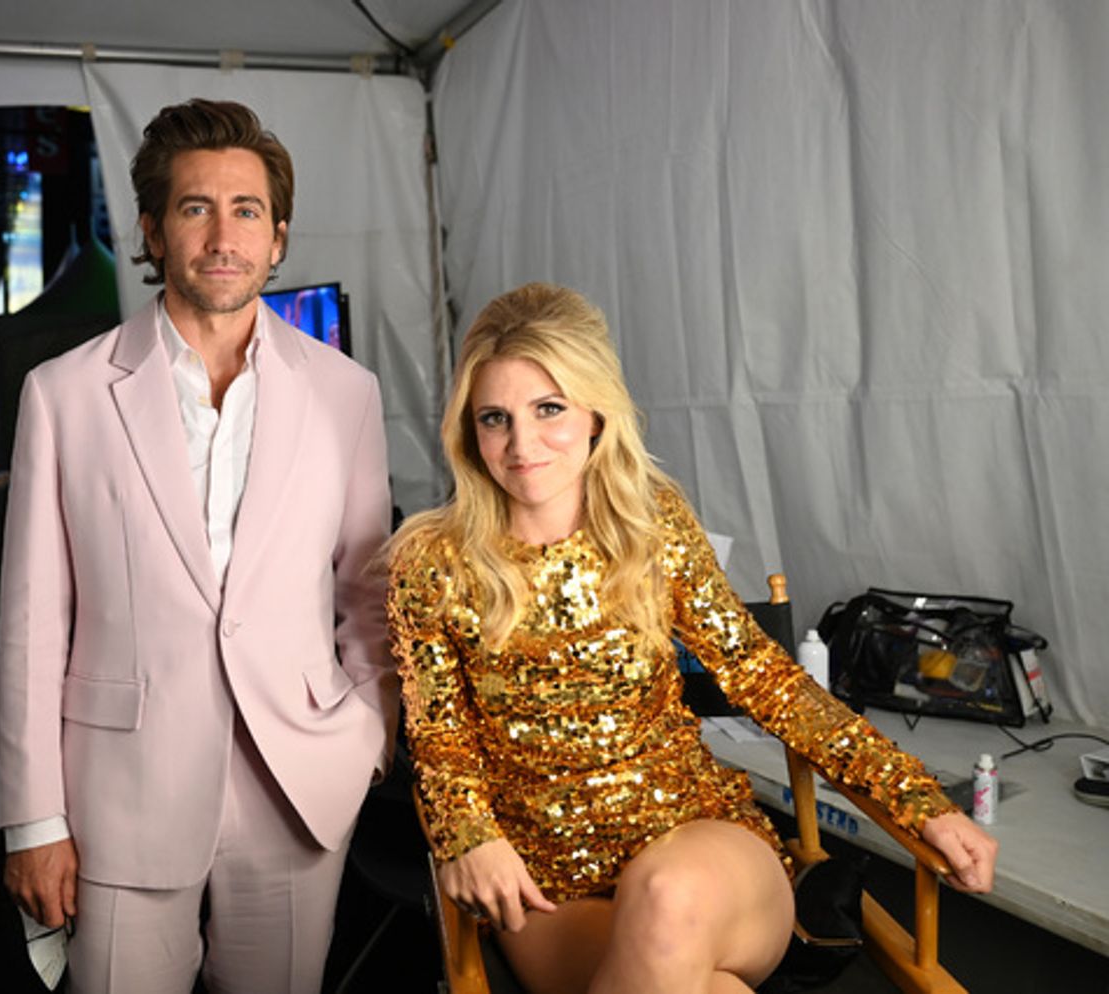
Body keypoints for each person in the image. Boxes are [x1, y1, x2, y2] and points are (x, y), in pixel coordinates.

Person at [387, 283, 998, 994]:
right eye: (495, 418)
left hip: (700, 847)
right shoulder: (432, 561)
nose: (521, 445)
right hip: (546, 885)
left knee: (668, 895)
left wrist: (918, 799)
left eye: (548, 408)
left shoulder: (653, 525)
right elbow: (438, 736)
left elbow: (765, 680)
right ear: (470, 430)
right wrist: (468, 835)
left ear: (595, 412)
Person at [0, 98, 396, 994]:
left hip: (299, 781)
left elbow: (367, 588)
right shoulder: (64, 395)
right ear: (151, 229)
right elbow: (31, 620)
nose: (224, 234)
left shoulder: (345, 392)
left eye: (246, 210)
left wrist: (370, 732)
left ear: (278, 236)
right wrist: (32, 819)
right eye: (195, 208)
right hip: (118, 791)